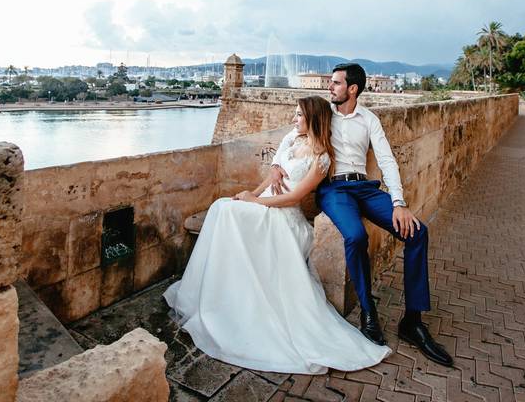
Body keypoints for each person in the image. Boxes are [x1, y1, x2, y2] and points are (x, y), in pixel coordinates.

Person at [164, 96, 391, 374]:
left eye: (298, 115)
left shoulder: (322, 159)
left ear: (313, 119)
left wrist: (254, 203)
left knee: (223, 210)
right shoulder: (293, 139)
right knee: (224, 208)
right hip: (264, 205)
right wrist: (252, 193)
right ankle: (218, 295)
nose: (293, 120)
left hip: (284, 216)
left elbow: (294, 196)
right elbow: (273, 175)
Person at [269, 63, 453, 367]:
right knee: (356, 236)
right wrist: (276, 164)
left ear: (352, 89)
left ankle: (412, 321)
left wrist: (398, 202)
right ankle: (369, 313)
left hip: (366, 188)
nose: (330, 87)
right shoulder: (322, 112)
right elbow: (291, 136)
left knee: (418, 232)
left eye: (336, 83)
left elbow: (387, 160)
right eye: (330, 82)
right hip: (334, 190)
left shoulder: (369, 119)